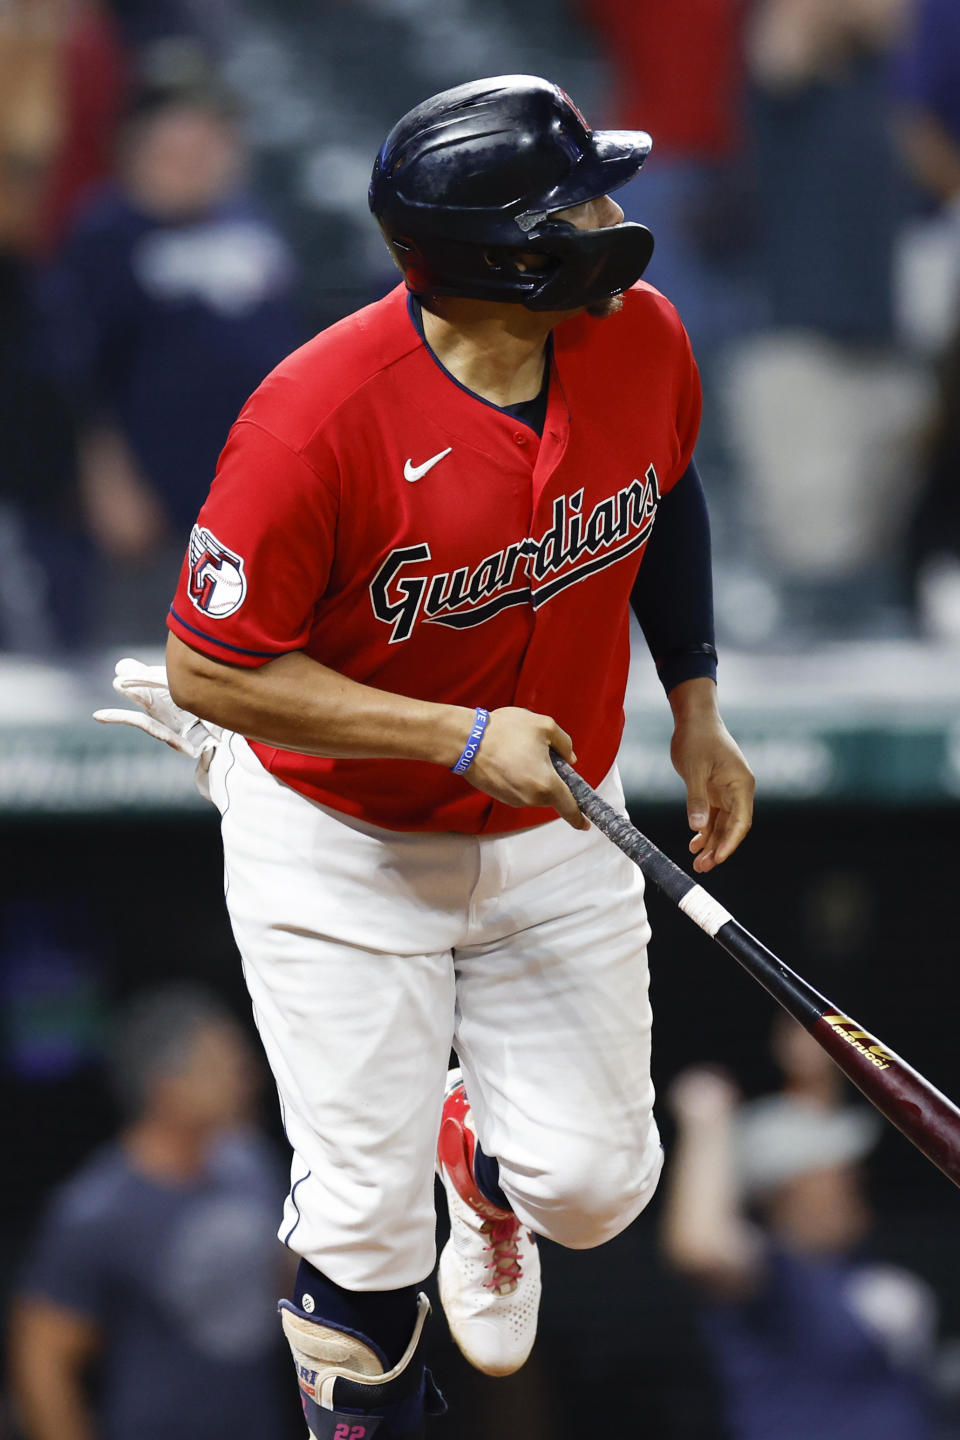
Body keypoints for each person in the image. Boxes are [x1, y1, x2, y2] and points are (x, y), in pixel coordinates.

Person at [102, 75, 755, 1439]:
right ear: (509, 258)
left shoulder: (640, 335)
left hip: (552, 829)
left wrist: (695, 700)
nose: (611, 213)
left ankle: (487, 1166)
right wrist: (456, 734)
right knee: (363, 1216)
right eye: (579, 200)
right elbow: (208, 666)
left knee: (596, 1189)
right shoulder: (314, 418)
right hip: (342, 839)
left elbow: (665, 486)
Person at [8, 983, 293, 1440]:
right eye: (222, 1067)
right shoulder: (97, 1209)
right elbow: (42, 1360)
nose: (246, 1079)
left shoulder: (248, 1163)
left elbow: (287, 1282)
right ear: (167, 1088)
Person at [661, 1019, 939, 1440]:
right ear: (786, 1189)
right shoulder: (772, 1278)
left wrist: (820, 1064)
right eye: (836, 1168)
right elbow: (699, 1246)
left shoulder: (857, 1269)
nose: (856, 1175)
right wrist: (708, 1123)